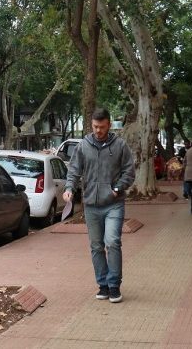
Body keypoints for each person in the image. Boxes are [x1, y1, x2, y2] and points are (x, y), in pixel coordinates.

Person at [64, 108, 135, 304]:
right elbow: (74, 170)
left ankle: (114, 285)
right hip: (91, 205)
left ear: (109, 125)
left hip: (114, 204)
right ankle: (102, 284)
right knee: (96, 246)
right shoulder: (83, 146)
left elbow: (129, 171)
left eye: (102, 127)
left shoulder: (120, 145)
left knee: (112, 242)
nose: (98, 131)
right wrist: (69, 188)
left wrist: (118, 188)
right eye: (95, 127)